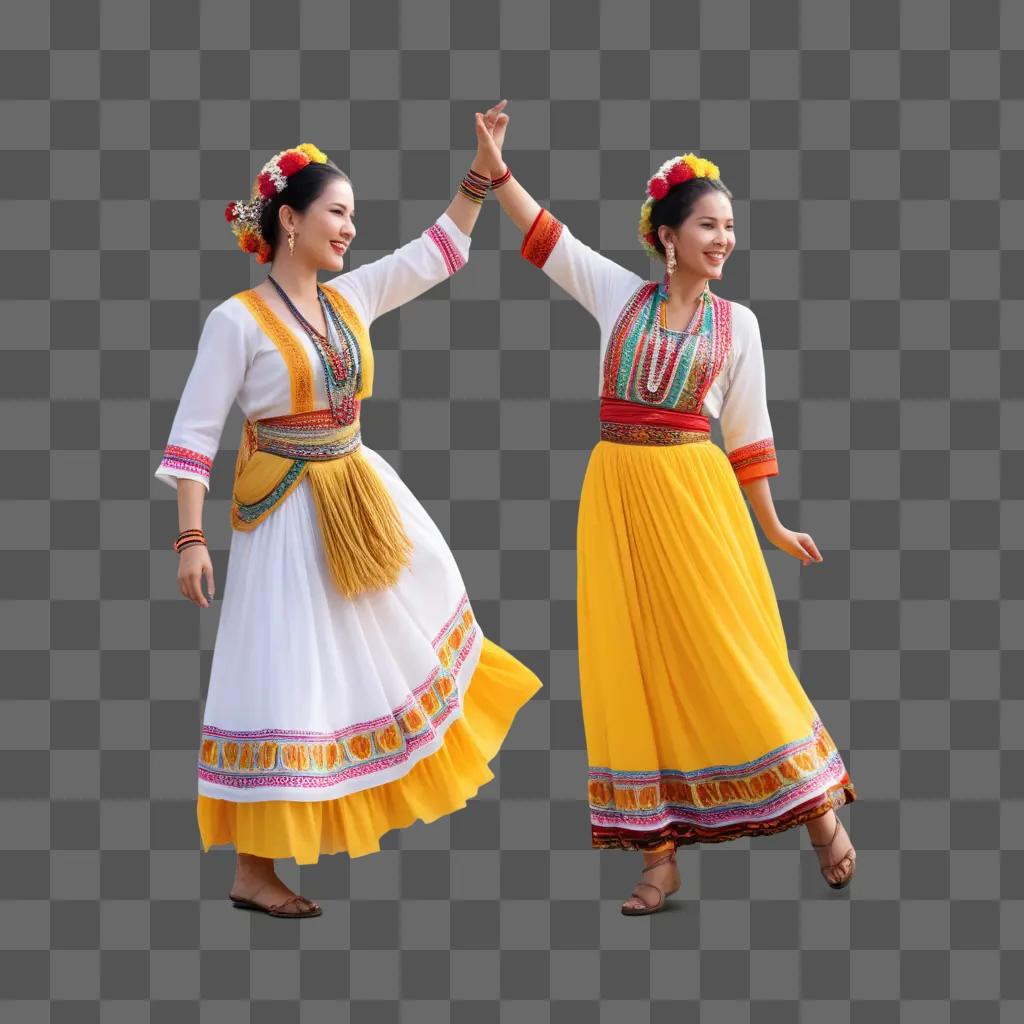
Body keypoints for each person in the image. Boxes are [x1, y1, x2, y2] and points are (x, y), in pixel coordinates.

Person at [154, 109, 541, 918]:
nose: (350, 228)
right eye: (337, 212)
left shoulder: (350, 298)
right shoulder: (236, 321)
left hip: (360, 497)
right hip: (286, 518)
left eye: (354, 215)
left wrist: (481, 173)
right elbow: (194, 436)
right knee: (288, 676)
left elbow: (435, 252)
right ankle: (253, 870)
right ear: (288, 220)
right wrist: (189, 537)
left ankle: (283, 848)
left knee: (395, 635)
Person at [476, 110, 857, 915]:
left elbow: (748, 437)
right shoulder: (620, 296)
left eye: (730, 228)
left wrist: (774, 525)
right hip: (615, 497)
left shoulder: (739, 325)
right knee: (629, 666)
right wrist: (496, 168)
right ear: (670, 235)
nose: (723, 240)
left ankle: (819, 811)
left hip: (697, 500)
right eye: (710, 226)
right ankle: (657, 860)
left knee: (734, 652)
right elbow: (547, 238)